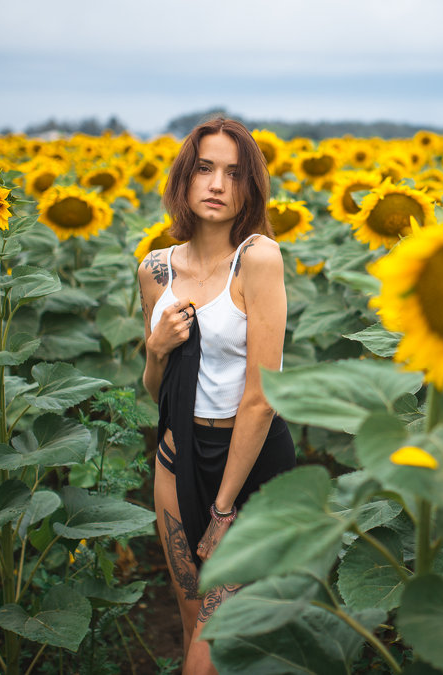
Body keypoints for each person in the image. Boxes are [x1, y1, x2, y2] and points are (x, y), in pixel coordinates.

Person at [138, 117, 294, 674]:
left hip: (246, 463)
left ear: (250, 188)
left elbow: (262, 396)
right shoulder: (156, 270)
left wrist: (224, 507)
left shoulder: (257, 258)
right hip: (176, 461)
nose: (217, 184)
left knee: (212, 636)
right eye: (205, 168)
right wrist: (156, 349)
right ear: (185, 178)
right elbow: (159, 390)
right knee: (190, 621)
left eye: (234, 173)